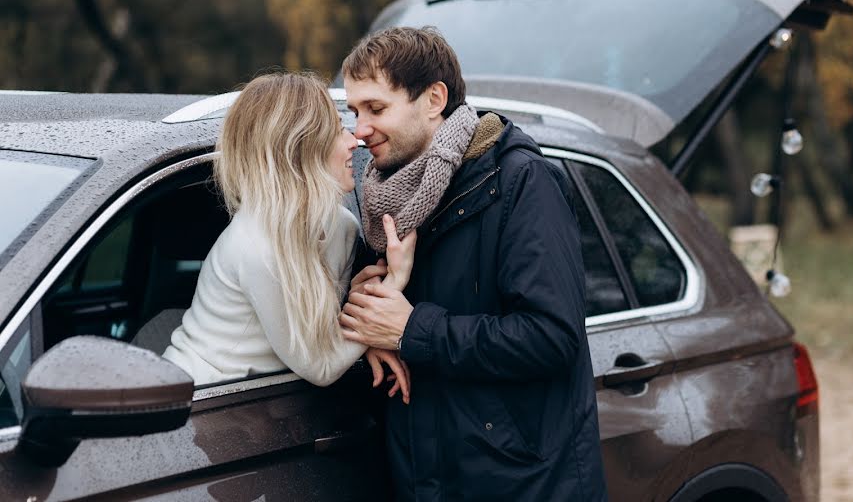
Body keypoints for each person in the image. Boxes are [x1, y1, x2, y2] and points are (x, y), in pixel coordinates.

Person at [339, 27, 607, 500]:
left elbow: (552, 337)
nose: (359, 130)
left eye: (376, 109)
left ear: (433, 99)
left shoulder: (521, 182)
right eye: (354, 110)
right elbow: (392, 322)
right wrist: (365, 316)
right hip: (430, 478)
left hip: (521, 485)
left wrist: (410, 330)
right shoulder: (389, 200)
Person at [162, 71, 412, 399]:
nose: (355, 140)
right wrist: (394, 282)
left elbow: (325, 334)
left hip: (262, 408)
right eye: (338, 132)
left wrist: (364, 338)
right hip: (199, 408)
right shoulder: (255, 247)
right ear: (302, 151)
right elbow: (321, 366)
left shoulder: (343, 226)